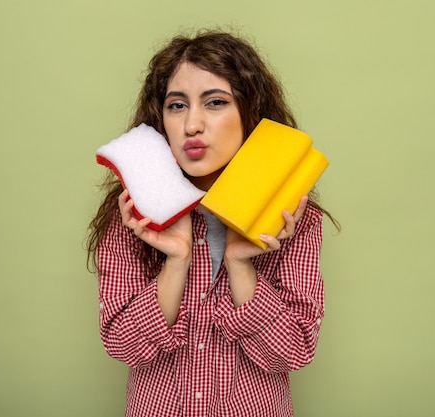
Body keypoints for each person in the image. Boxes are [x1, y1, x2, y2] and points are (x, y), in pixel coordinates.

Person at [86, 29, 339, 417]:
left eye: (215, 102)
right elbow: (125, 347)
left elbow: (292, 352)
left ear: (250, 113)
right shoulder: (129, 217)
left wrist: (241, 265)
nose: (192, 126)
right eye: (176, 106)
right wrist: (176, 259)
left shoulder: (296, 221)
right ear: (160, 118)